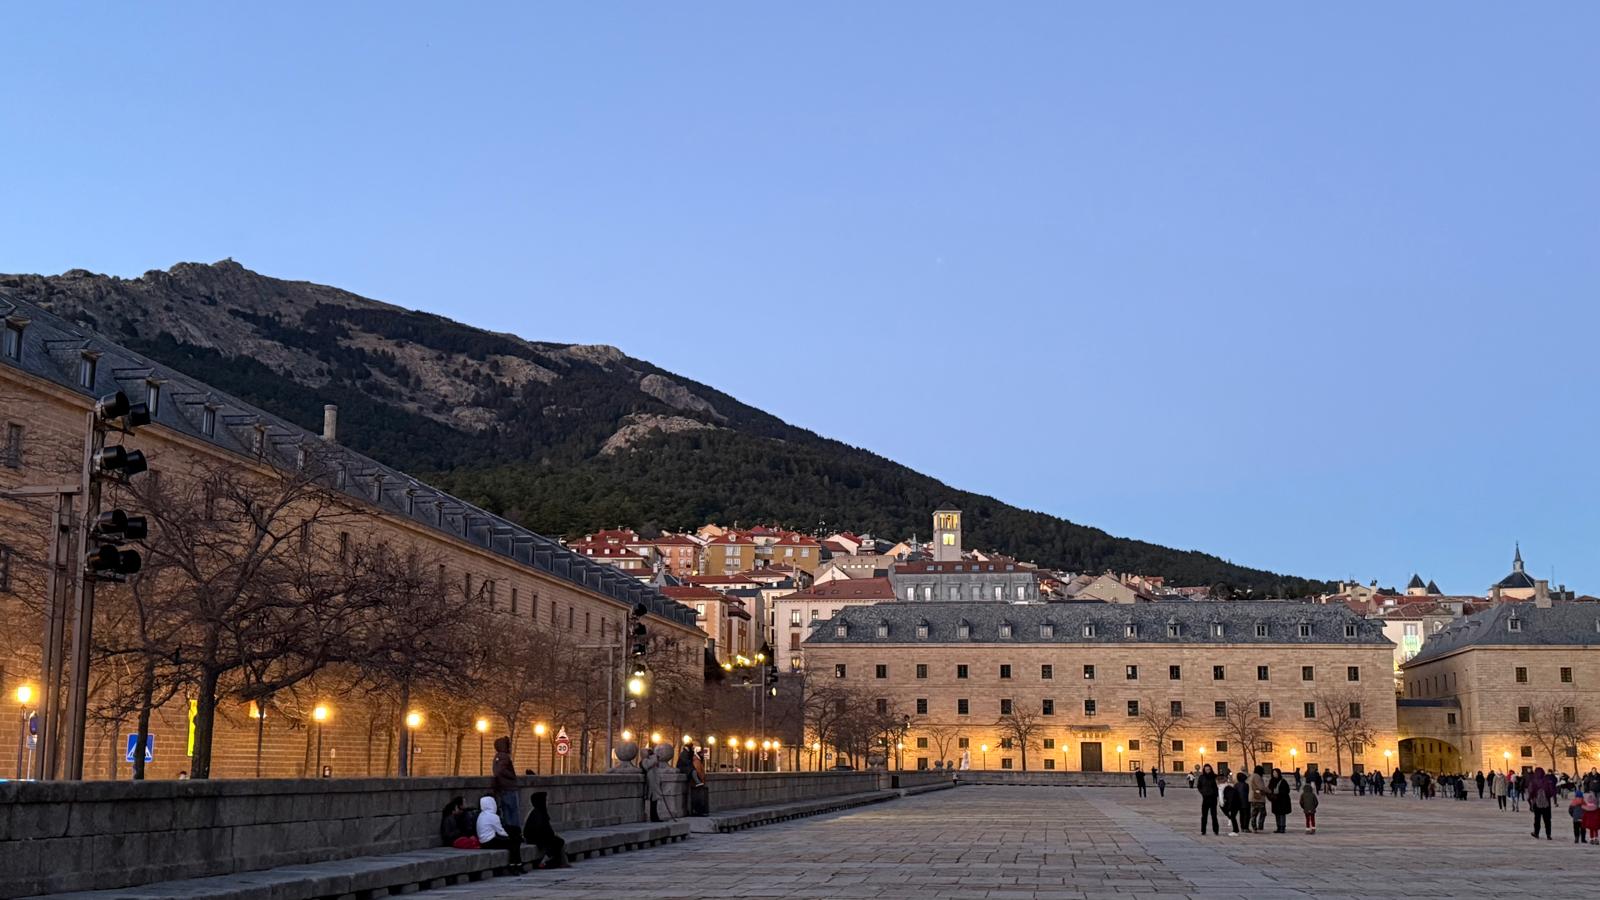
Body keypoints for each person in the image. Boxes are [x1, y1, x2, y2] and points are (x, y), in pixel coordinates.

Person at [521, 791, 569, 868]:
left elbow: (546, 829)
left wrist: (552, 834)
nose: (547, 802)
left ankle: (557, 862)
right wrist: (552, 834)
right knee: (558, 841)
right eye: (546, 800)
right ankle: (544, 861)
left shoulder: (541, 811)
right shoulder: (537, 813)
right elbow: (538, 830)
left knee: (557, 840)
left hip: (539, 836)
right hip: (533, 838)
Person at [475, 796, 522, 869]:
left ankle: (516, 864)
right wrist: (510, 837)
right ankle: (515, 864)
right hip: (490, 842)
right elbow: (501, 832)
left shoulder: (481, 815)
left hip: (483, 842)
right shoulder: (493, 816)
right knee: (514, 842)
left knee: (514, 841)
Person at [491, 736, 523, 844]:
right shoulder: (504, 757)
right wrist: (512, 777)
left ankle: (510, 833)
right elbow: (500, 771)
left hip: (502, 788)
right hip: (509, 788)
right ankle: (516, 834)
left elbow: (497, 772)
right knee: (513, 812)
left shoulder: (497, 756)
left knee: (506, 812)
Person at [1529, 766, 1554, 840]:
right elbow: (1551, 792)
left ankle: (1536, 833)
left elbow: (1531, 792)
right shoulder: (1547, 781)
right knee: (1547, 820)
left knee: (1537, 819)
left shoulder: (1533, 781)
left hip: (1537, 803)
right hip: (1546, 803)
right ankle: (1548, 835)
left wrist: (1531, 802)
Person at [1197, 764, 1219, 835]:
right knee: (1204, 815)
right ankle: (1203, 830)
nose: (1207, 771)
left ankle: (1216, 830)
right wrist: (1203, 792)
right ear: (1204, 770)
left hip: (1213, 798)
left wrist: (1216, 793)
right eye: (1206, 770)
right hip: (1205, 798)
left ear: (1211, 769)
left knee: (1214, 815)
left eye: (1209, 769)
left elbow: (1219, 785)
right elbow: (1199, 786)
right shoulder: (1202, 777)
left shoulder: (1215, 776)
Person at [1269, 768, 1292, 833]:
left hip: (1282, 800)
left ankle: (1282, 827)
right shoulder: (1272, 781)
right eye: (1273, 773)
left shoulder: (1283, 781)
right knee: (1277, 814)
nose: (1274, 774)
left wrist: (1279, 793)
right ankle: (1278, 827)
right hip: (1275, 801)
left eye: (1276, 773)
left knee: (1282, 814)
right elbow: (1269, 789)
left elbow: (1287, 790)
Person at [1221, 771, 1242, 835]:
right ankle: (1235, 829)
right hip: (1235, 803)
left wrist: (1229, 808)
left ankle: (1235, 830)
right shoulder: (1226, 787)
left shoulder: (1227, 788)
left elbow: (1231, 798)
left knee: (1232, 816)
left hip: (1234, 804)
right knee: (1232, 816)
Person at [1248, 765, 1268, 832]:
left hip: (1252, 797)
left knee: (1254, 813)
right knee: (1263, 813)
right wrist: (1268, 790)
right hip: (1258, 798)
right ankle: (1259, 826)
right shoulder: (1257, 776)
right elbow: (1261, 787)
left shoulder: (1251, 776)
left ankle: (1254, 827)